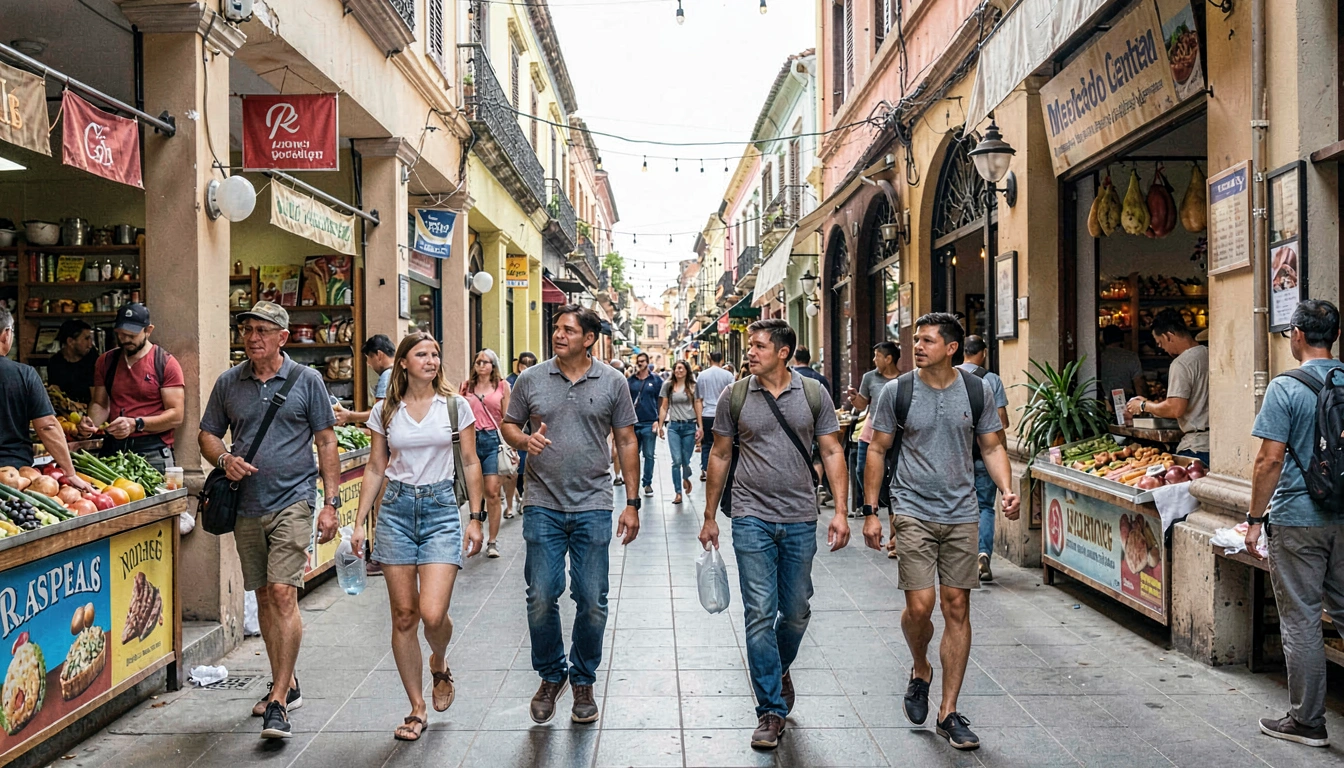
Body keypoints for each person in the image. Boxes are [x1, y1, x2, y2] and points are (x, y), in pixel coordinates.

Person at [861, 312, 1020, 752]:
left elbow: (991, 444)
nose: (918, 347)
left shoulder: (977, 390)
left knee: (956, 605)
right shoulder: (897, 391)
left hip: (961, 510)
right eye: (917, 340)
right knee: (920, 605)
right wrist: (872, 512)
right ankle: (920, 668)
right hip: (911, 508)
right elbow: (877, 448)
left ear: (951, 348)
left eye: (928, 341)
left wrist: (1006, 488)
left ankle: (948, 711)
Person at [698, 318, 849, 750]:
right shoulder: (736, 394)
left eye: (760, 346)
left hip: (801, 515)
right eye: (751, 346)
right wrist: (709, 516)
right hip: (750, 514)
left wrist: (841, 511)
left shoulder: (814, 394)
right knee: (760, 612)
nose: (751, 352)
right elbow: (720, 453)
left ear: (784, 352)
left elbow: (832, 450)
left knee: (797, 609)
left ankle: (777, 665)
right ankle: (769, 710)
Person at [198, 301, 341, 741]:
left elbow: (326, 439)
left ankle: (278, 699)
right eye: (247, 330)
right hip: (246, 504)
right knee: (263, 594)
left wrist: (330, 502)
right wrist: (224, 459)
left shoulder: (307, 380)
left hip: (294, 500)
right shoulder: (229, 383)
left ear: (282, 336)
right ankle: (288, 680)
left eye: (262, 330)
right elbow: (206, 433)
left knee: (283, 593)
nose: (253, 337)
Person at [500, 304, 641, 726]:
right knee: (541, 595)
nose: (558, 335)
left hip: (594, 502)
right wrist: (525, 441)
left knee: (592, 600)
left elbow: (628, 440)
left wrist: (632, 503)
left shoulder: (613, 381)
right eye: (556, 329)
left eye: (567, 330)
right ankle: (550, 675)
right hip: (542, 501)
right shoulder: (531, 378)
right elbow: (508, 425)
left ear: (589, 338)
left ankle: (583, 679)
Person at [348, 332, 486, 742]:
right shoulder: (385, 410)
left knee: (431, 613)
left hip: (442, 511)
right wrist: (359, 522)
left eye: (435, 354)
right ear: (403, 363)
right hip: (395, 512)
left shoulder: (455, 407)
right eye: (422, 354)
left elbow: (470, 460)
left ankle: (439, 661)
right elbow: (376, 466)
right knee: (404, 616)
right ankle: (416, 707)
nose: (431, 360)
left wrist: (475, 518)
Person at [1244, 300, 1343, 749]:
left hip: (1298, 519)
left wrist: (1253, 520)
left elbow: (1269, 460)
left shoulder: (1284, 388)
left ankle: (1307, 721)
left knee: (1302, 619)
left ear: (1298, 335)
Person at [79, 304, 185, 473]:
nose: (125, 339)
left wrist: (137, 424)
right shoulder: (106, 362)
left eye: (131, 335)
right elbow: (100, 404)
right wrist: (91, 424)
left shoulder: (165, 363)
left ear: (148, 330)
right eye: (120, 334)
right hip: (113, 450)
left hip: (152, 452)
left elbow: (176, 416)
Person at [0, 308, 92, 489]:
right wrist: (70, 473)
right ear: (6, 334)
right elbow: (47, 426)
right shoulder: (24, 375)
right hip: (14, 476)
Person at [956, 335, 1010, 582]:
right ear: (984, 353)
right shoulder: (992, 380)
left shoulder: (950, 377)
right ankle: (982, 553)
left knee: (957, 507)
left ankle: (960, 558)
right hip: (985, 455)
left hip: (955, 456)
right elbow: (1002, 422)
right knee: (985, 507)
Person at [1126, 309, 1209, 464]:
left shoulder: (1181, 364)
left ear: (1168, 336)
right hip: (1217, 443)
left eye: (1160, 343)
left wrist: (1144, 405)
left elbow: (1174, 408)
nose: (1163, 349)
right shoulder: (1209, 353)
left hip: (1197, 446)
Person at [461, 349, 511, 556]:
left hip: (492, 440)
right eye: (478, 361)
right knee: (474, 492)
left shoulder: (502, 386)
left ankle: (492, 540)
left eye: (486, 362)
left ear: (493, 365)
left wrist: (512, 445)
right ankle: (476, 531)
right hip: (470, 441)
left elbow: (507, 418)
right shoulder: (466, 387)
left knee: (491, 491)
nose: (481, 365)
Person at [848, 342, 900, 522]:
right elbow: (862, 404)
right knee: (862, 469)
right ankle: (873, 501)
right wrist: (855, 399)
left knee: (894, 471)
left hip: (894, 432)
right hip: (871, 430)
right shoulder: (869, 378)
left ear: (888, 359)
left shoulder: (904, 379)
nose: (873, 359)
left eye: (877, 356)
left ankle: (888, 501)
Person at [657, 360, 702, 504]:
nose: (679, 371)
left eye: (681, 368)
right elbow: (664, 407)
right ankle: (678, 492)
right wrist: (660, 426)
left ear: (687, 370)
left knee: (686, 460)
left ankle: (686, 476)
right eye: (676, 368)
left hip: (689, 426)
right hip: (674, 427)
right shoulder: (668, 386)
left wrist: (700, 427)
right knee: (676, 461)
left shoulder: (693, 386)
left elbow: (698, 405)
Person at [334, 334, 397, 425]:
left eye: (368, 358)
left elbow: (380, 413)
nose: (368, 364)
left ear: (379, 355)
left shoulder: (386, 376)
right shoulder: (398, 371)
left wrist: (349, 416)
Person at [626, 351, 662, 497]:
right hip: (634, 423)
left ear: (647, 362)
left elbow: (661, 401)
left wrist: (659, 421)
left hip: (649, 422)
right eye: (638, 361)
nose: (640, 363)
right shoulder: (630, 381)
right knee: (633, 455)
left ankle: (647, 483)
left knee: (649, 455)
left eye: (642, 361)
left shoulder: (656, 380)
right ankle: (633, 483)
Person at [695, 352, 735, 482]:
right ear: (722, 359)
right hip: (723, 414)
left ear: (709, 358)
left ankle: (705, 469)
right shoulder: (728, 375)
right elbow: (733, 397)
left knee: (706, 444)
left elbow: (698, 400)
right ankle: (722, 470)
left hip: (707, 414)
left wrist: (699, 423)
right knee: (723, 444)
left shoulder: (702, 375)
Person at [506, 352, 537, 515]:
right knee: (514, 470)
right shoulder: (509, 382)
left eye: (529, 364)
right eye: (523, 364)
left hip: (530, 433)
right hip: (515, 431)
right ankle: (515, 499)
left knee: (525, 467)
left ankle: (523, 497)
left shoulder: (536, 380)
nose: (525, 367)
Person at [46, 319, 97, 404]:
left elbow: (96, 397)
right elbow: (55, 393)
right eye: (86, 339)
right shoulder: (55, 362)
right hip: (66, 410)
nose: (90, 344)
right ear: (70, 341)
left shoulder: (93, 358)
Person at [1097, 325, 1145, 406]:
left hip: (1104, 403)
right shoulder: (1131, 356)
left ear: (1104, 340)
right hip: (1127, 401)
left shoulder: (1099, 357)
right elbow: (1139, 383)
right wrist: (1143, 405)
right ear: (1122, 338)